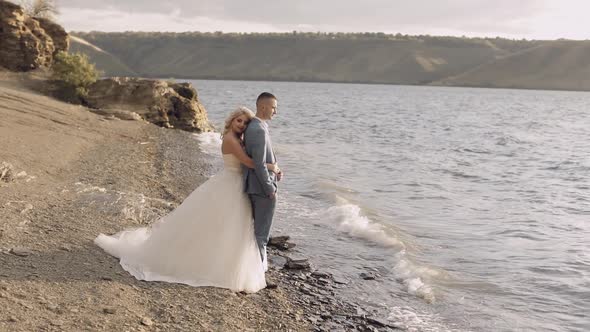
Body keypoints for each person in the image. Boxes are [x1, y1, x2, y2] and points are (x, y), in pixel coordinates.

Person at [94, 107, 279, 293]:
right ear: (231, 121)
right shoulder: (231, 140)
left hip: (235, 184)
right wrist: (273, 167)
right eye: (239, 120)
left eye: (246, 123)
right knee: (226, 225)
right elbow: (248, 163)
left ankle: (220, 260)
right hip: (230, 185)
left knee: (226, 227)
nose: (242, 125)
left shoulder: (238, 138)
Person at [243, 92, 282, 272]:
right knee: (261, 235)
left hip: (260, 184)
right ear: (263, 106)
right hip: (261, 188)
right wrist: (270, 188)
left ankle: (254, 269)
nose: (276, 111)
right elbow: (257, 164)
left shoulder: (259, 126)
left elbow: (264, 159)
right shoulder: (257, 129)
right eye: (274, 107)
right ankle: (257, 273)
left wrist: (276, 169)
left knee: (258, 232)